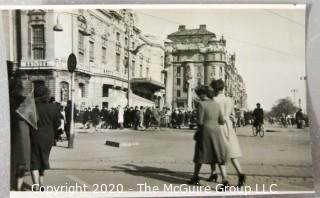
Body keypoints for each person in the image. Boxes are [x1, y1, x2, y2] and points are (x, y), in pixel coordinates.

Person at [188, 85, 226, 186]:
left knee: (200, 154)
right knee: (217, 154)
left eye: (198, 94)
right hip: (217, 131)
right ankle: (224, 180)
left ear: (202, 94)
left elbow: (200, 122)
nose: (198, 96)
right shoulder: (216, 104)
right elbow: (222, 121)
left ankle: (195, 177)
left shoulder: (201, 104)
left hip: (205, 131)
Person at [211, 79, 246, 188]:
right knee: (232, 152)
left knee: (220, 154)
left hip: (218, 125)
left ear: (214, 89)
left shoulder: (213, 100)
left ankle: (225, 180)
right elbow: (233, 115)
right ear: (223, 88)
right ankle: (240, 174)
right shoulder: (230, 100)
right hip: (228, 126)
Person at [30, 85, 61, 191]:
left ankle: (36, 186)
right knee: (44, 159)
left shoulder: (32, 106)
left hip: (34, 135)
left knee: (34, 160)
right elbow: (58, 123)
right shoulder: (53, 107)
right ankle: (42, 184)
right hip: (49, 137)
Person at [9, 78, 31, 191]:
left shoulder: (5, 99)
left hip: (7, 130)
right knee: (22, 162)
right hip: (21, 131)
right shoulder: (25, 100)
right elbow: (32, 119)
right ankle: (17, 188)